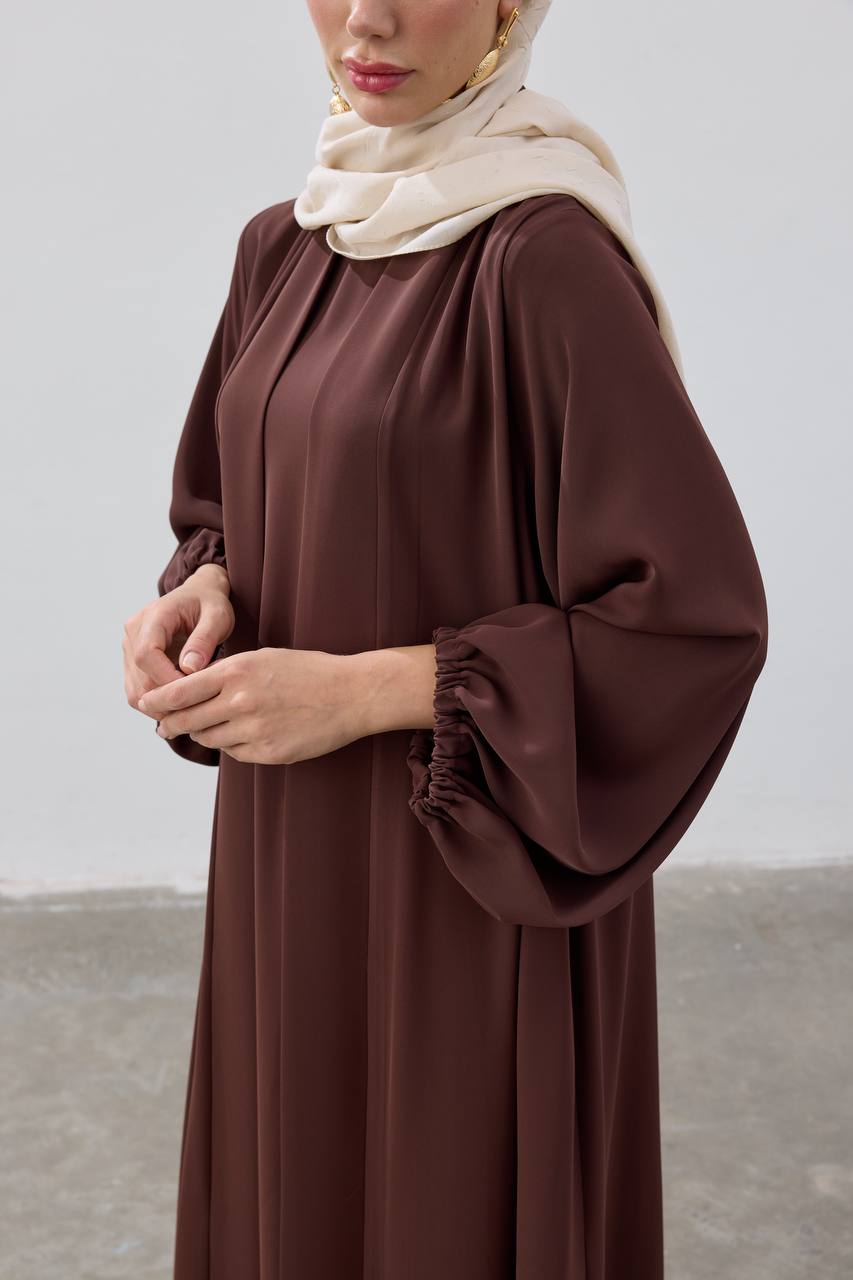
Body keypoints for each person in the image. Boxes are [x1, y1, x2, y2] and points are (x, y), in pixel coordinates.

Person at [122, 1, 769, 1275]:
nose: (369, 18)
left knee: (445, 1198)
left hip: (468, 861)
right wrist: (205, 589)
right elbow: (230, 500)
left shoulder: (545, 256)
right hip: (288, 847)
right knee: (293, 1173)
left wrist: (367, 692)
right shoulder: (283, 246)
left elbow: (690, 616)